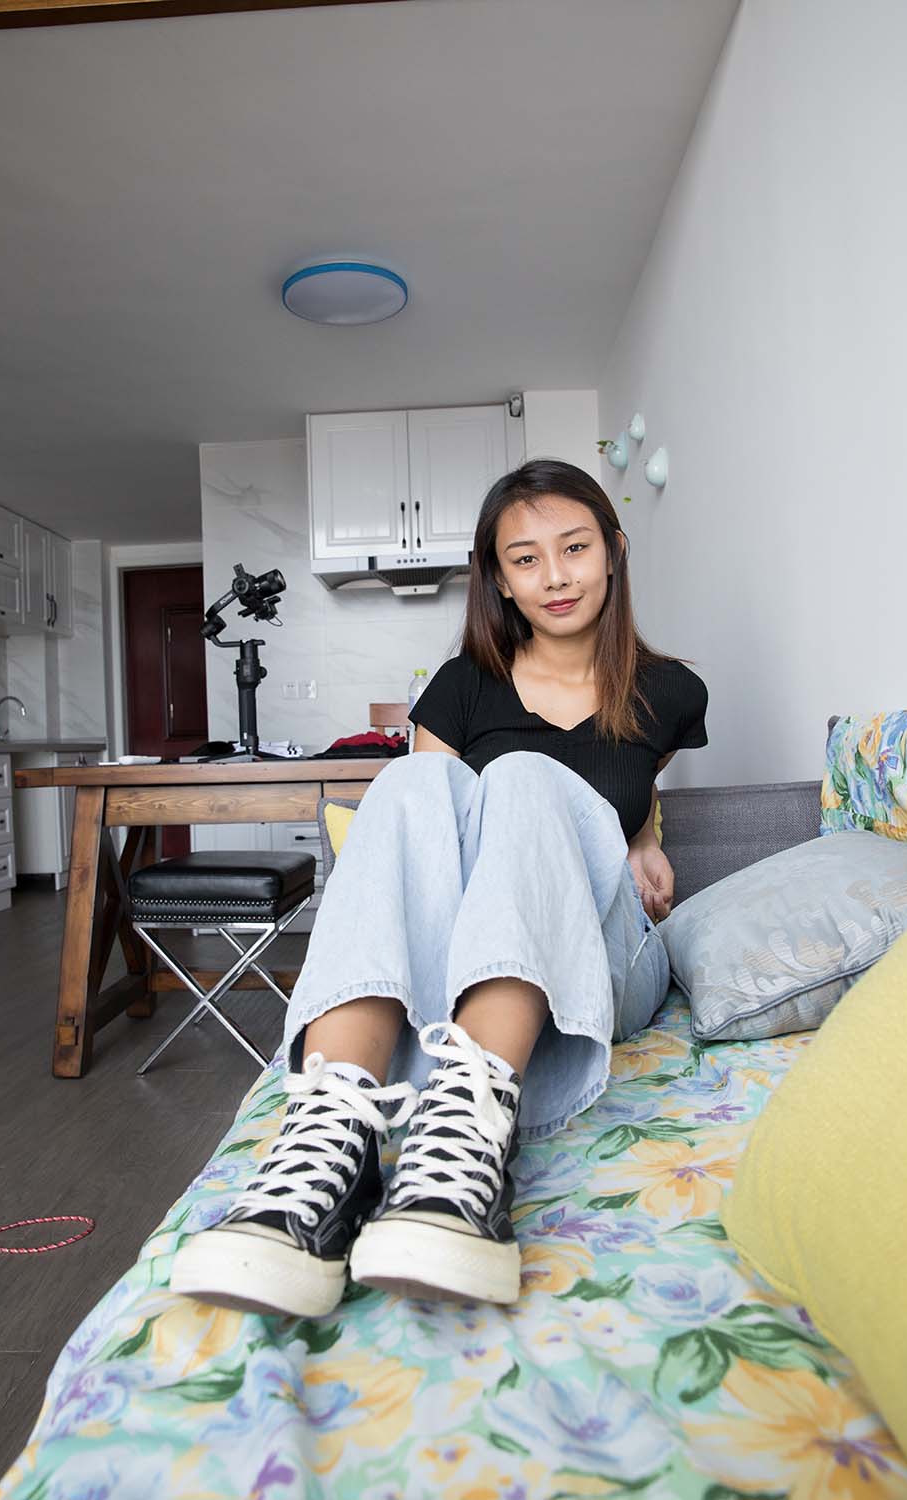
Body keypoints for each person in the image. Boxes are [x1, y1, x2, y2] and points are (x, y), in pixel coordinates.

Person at [171, 459, 708, 1319]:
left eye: (574, 548)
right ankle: (334, 1138)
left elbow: (634, 787)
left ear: (613, 550)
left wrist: (643, 840)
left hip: (605, 955)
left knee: (527, 773)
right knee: (412, 783)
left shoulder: (671, 690)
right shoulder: (462, 686)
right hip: (482, 954)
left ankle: (474, 1137)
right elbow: (433, 852)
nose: (555, 576)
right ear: (499, 578)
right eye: (525, 559)